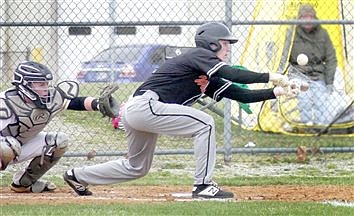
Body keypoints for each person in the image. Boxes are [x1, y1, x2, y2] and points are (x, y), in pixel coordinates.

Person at [63, 22, 297, 199]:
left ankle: (77, 175)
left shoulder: (205, 72)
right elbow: (232, 74)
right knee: (205, 123)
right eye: (225, 43)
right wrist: (270, 76)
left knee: (137, 167)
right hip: (147, 106)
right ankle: (203, 186)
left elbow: (238, 93)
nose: (227, 48)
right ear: (212, 44)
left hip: (139, 110)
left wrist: (275, 93)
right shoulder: (199, 55)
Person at [0, 61, 116, 193]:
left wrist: (97, 104)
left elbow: (75, 102)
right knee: (8, 145)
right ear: (25, 85)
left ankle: (23, 183)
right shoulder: (6, 103)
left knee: (59, 141)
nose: (45, 88)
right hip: (5, 149)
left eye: (46, 84)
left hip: (20, 146)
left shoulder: (49, 97)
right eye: (41, 84)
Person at [289, 3, 337, 125]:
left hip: (318, 74)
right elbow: (283, 57)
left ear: (315, 18)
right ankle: (306, 125)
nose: (308, 20)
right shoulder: (291, 33)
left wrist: (329, 82)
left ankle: (321, 127)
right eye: (304, 17)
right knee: (304, 99)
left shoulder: (323, 33)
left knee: (321, 101)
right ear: (299, 19)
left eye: (310, 17)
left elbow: (331, 59)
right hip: (298, 73)